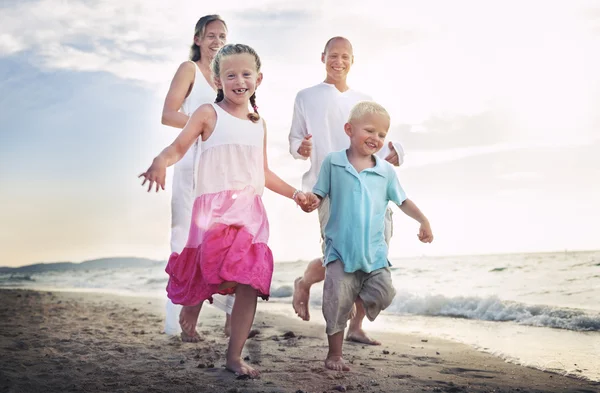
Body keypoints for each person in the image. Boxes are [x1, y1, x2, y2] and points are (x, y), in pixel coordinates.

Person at [140, 43, 315, 377]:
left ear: (258, 79)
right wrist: (160, 161)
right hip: (213, 212)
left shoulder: (257, 122)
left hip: (250, 212)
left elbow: (262, 172)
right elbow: (178, 147)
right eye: (230, 74)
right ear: (218, 81)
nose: (239, 80)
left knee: (248, 278)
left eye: (246, 74)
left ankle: (234, 357)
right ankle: (192, 305)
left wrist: (296, 194)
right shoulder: (207, 113)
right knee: (210, 269)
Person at [288, 36, 404, 345]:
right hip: (329, 188)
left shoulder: (364, 98)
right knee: (338, 258)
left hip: (371, 188)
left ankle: (356, 326)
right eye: (333, 55)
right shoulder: (306, 96)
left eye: (345, 56)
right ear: (322, 56)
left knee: (370, 257)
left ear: (353, 60)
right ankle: (304, 281)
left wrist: (395, 152)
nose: (339, 61)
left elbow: (384, 136)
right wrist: (300, 148)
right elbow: (294, 143)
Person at [303, 101, 433, 371]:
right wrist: (311, 200)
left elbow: (402, 200)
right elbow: (319, 193)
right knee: (335, 304)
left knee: (384, 294)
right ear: (349, 130)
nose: (376, 138)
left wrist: (423, 220)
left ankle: (353, 299)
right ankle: (334, 354)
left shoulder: (385, 171)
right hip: (339, 249)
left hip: (374, 253)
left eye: (382, 135)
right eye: (370, 130)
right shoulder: (333, 162)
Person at [160, 14, 234, 339]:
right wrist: (201, 123)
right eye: (211, 35)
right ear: (198, 39)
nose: (217, 41)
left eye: (222, 36)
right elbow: (167, 114)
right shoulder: (189, 70)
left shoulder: (224, 78)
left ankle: (230, 316)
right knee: (185, 239)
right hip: (190, 162)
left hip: (219, 168)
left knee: (220, 238)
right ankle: (176, 322)